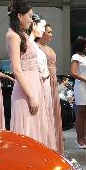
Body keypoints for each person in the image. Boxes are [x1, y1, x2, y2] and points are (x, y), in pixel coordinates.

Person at [5, 0, 41, 142]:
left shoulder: (23, 35)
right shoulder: (12, 36)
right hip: (25, 90)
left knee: (34, 132)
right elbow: (16, 69)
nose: (32, 20)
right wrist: (31, 95)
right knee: (25, 135)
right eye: (30, 16)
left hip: (33, 86)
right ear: (19, 16)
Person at [36, 22, 64, 154]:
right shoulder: (36, 47)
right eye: (49, 32)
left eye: (51, 32)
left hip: (53, 81)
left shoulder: (49, 48)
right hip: (45, 81)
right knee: (47, 111)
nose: (51, 34)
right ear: (42, 33)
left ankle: (56, 145)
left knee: (54, 112)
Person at [31, 16, 55, 149]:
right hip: (40, 81)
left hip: (48, 80)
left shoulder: (35, 45)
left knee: (48, 113)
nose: (50, 34)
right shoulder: (33, 45)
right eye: (46, 30)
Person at [71, 36, 86, 149]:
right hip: (80, 87)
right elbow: (73, 73)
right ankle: (79, 139)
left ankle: (84, 138)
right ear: (80, 44)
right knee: (80, 115)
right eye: (85, 44)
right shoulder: (75, 56)